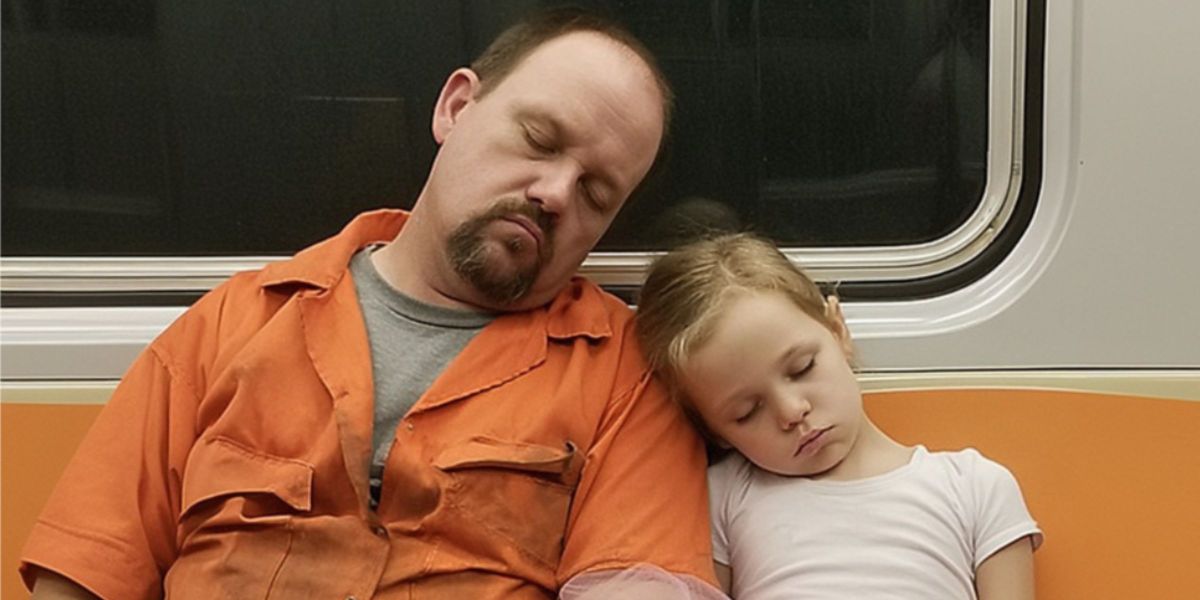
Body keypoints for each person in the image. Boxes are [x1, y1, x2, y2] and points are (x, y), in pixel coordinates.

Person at [21, 8, 720, 599]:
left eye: (596, 193)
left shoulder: (627, 377)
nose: (556, 193)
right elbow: (82, 575)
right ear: (456, 108)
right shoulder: (233, 321)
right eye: (539, 139)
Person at [634, 233, 1043, 599]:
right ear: (715, 432)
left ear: (837, 331)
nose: (792, 411)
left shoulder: (974, 488)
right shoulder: (722, 495)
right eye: (747, 412)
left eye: (802, 368)